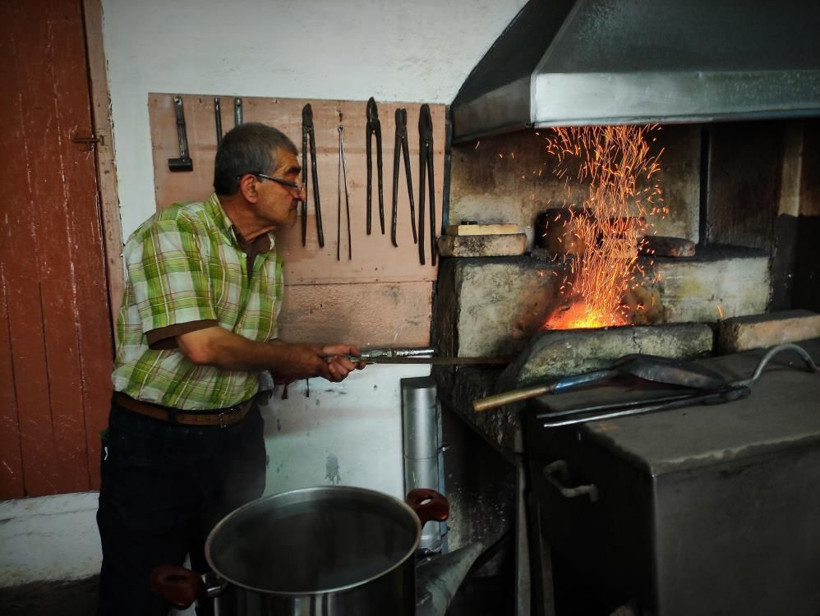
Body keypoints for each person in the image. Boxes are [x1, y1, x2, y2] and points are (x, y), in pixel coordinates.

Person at [96, 122, 363, 615]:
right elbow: (203, 346)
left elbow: (248, 350)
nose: (301, 194)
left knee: (238, 582)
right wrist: (292, 356)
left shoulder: (265, 253)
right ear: (251, 185)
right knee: (139, 587)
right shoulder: (174, 232)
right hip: (155, 445)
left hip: (235, 440)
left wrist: (312, 360)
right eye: (293, 178)